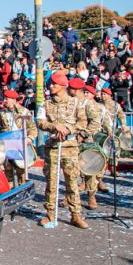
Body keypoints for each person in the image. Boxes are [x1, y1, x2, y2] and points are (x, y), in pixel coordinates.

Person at [36, 73, 89, 229]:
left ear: (63, 86)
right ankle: (50, 213)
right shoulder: (45, 104)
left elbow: (83, 122)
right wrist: (54, 127)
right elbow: (40, 121)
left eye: (54, 84)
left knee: (72, 182)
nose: (51, 86)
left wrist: (67, 129)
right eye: (50, 84)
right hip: (52, 147)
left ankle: (75, 215)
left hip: (70, 147)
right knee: (51, 182)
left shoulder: (76, 103)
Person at [67, 78, 102, 208]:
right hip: (71, 140)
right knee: (71, 171)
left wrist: (83, 134)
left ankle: (91, 196)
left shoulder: (88, 104)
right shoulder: (70, 102)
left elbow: (96, 122)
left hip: (86, 142)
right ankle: (70, 196)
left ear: (76, 90)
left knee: (89, 171)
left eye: (70, 89)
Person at [0, 90, 37, 186]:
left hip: (20, 146)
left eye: (7, 99)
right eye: (4, 98)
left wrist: (29, 138)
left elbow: (33, 128)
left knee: (21, 173)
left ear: (14, 100)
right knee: (8, 173)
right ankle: (9, 193)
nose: (4, 101)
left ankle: (22, 191)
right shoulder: (2, 114)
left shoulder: (24, 112)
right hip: (8, 147)